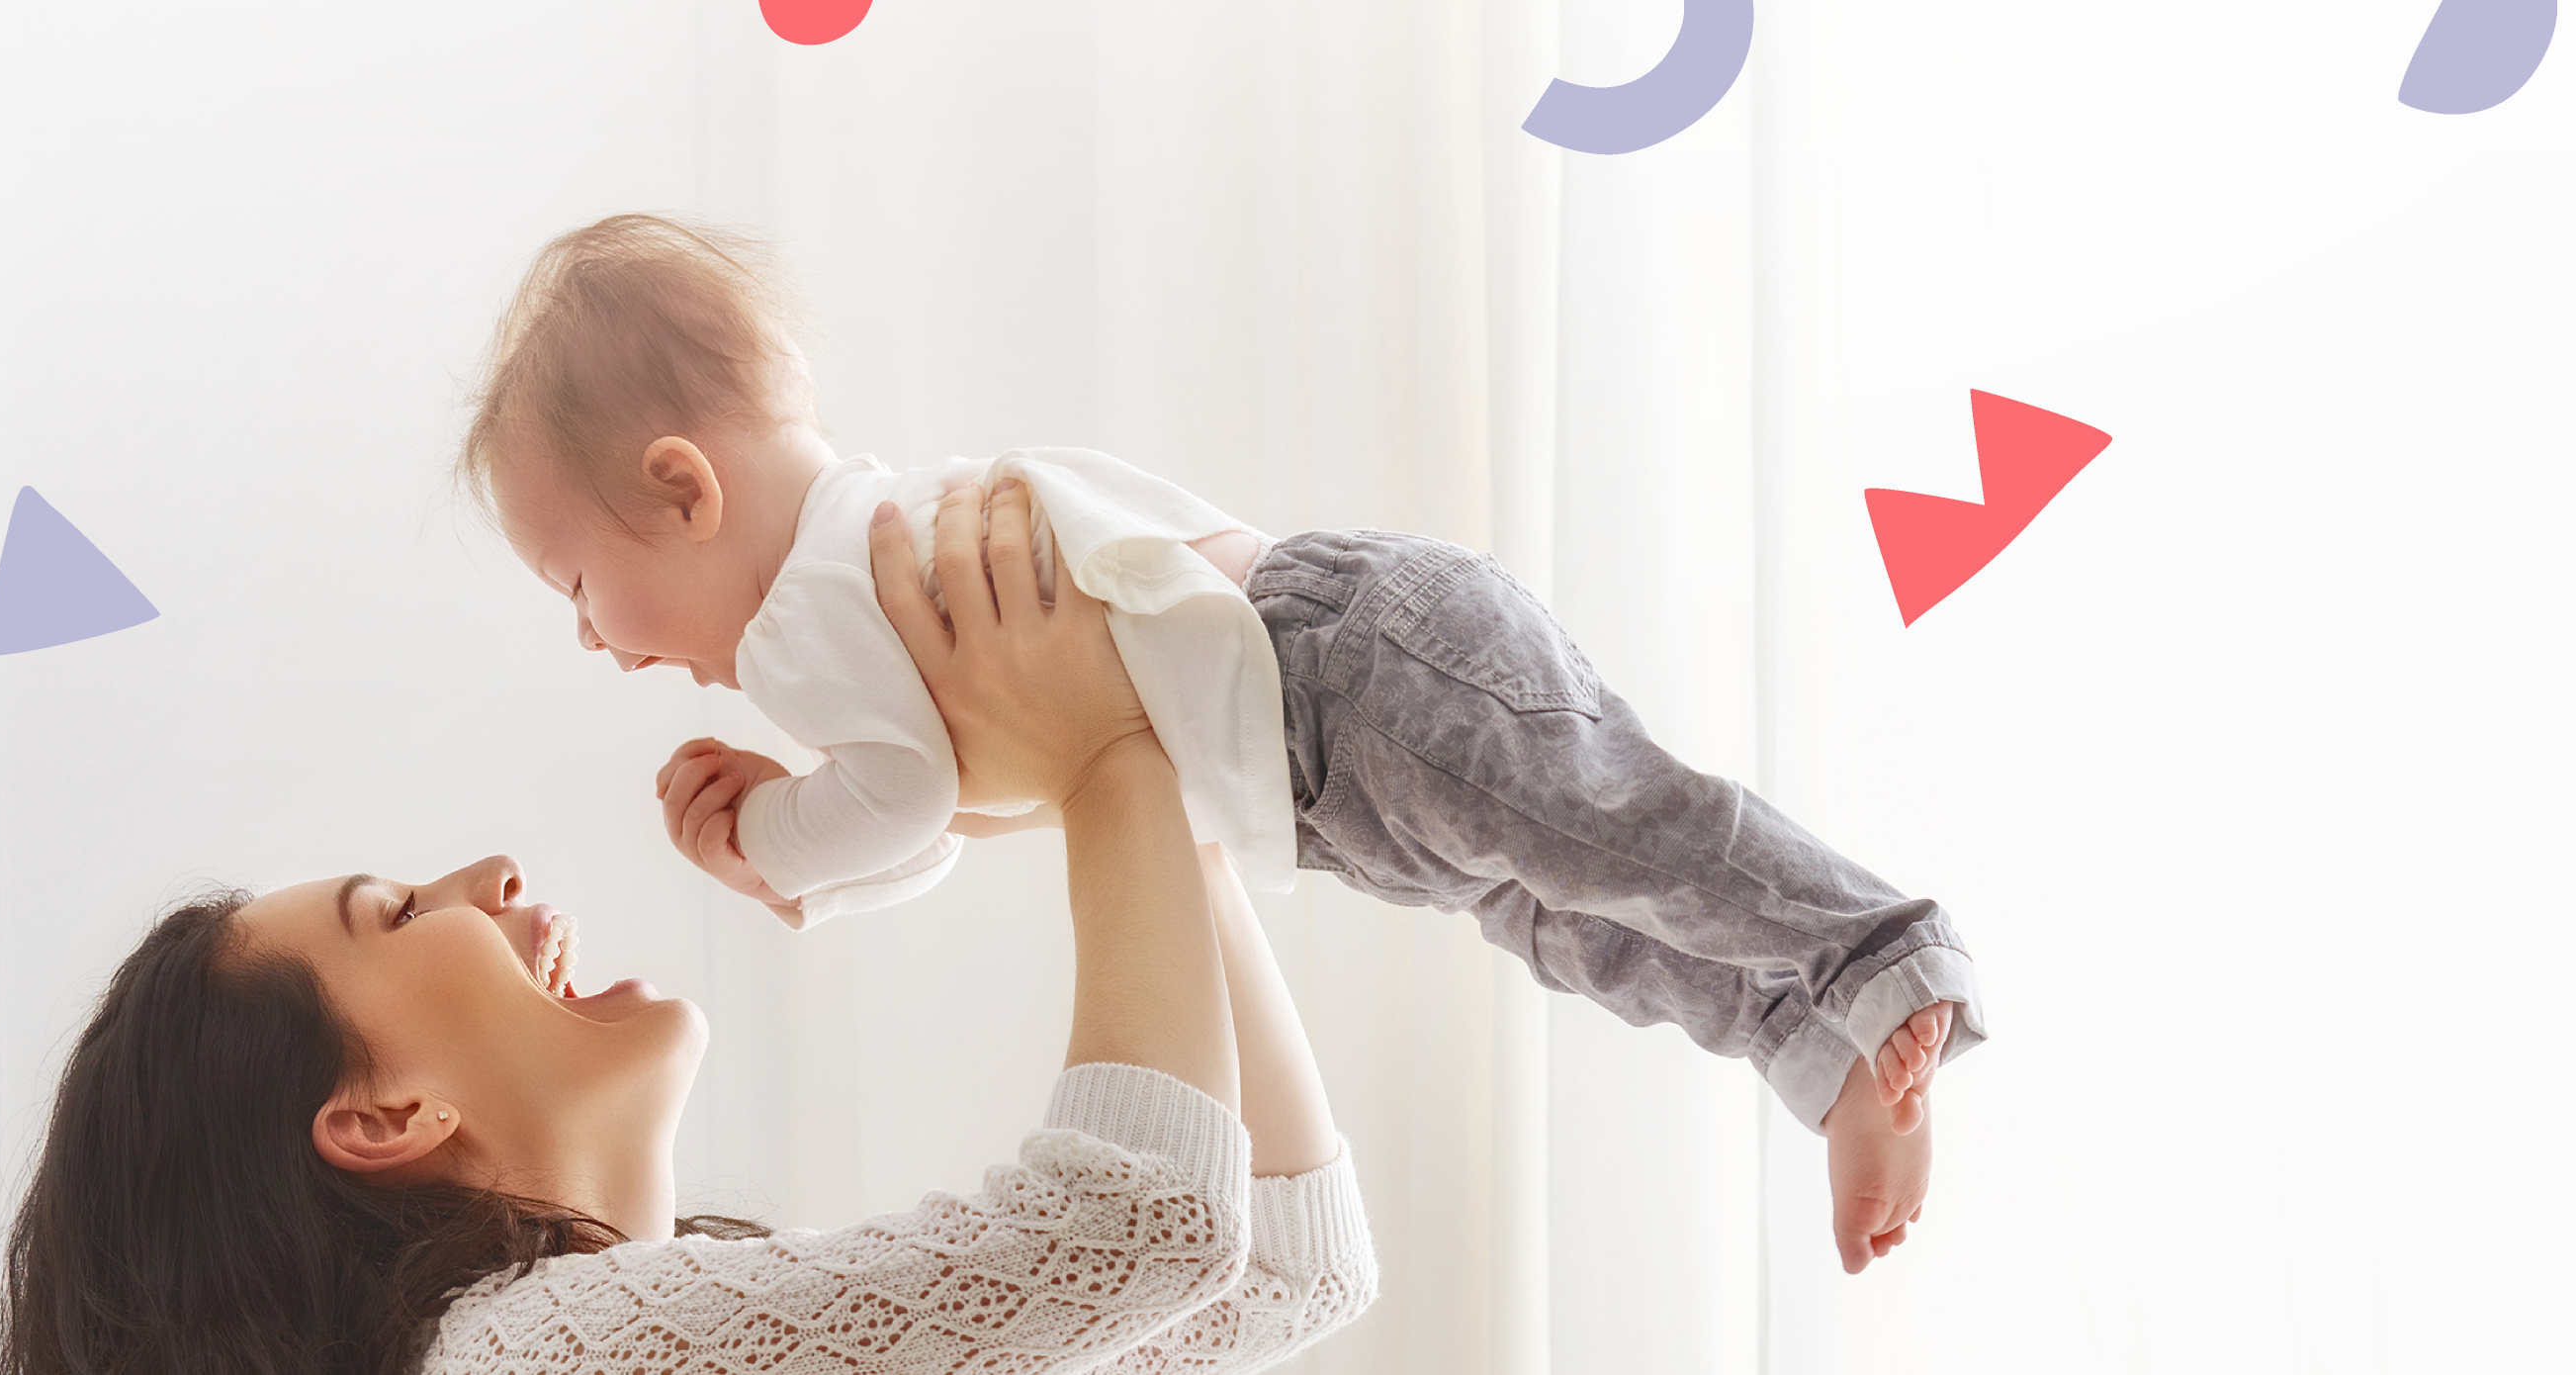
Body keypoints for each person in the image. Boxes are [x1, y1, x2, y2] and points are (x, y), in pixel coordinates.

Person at [464, 214, 1965, 1271]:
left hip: (1344, 675)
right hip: (1329, 764)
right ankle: (1809, 1049)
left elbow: (904, 796)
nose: (595, 639)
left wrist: (772, 836)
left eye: (577, 586)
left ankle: (1878, 952)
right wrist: (815, 861)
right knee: (1575, 915)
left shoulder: (809, 611)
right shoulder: (861, 559)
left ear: (679, 488)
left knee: (1615, 838)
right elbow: (946, 811)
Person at [0, 485, 1376, 1375]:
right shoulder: (524, 1362)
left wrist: (1142, 796)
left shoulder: (599, 1341)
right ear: (382, 1112)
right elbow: (1140, 1235)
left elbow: (1277, 1272)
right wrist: (1100, 747)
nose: (488, 872)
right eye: (400, 912)